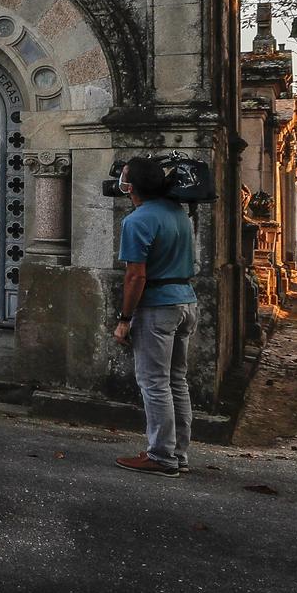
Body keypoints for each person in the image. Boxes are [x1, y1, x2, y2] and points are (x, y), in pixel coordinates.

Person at [113, 157, 200, 477]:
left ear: (131, 187)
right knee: (176, 380)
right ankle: (178, 453)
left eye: (124, 177)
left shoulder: (137, 221)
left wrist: (124, 318)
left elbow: (136, 277)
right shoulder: (179, 214)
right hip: (186, 302)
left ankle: (161, 455)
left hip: (158, 308)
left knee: (153, 382)